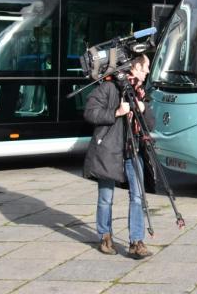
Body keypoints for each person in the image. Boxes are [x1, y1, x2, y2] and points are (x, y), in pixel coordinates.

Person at [82, 55, 154, 259]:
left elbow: (151, 124)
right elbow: (90, 113)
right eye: (145, 67)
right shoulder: (109, 88)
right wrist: (117, 111)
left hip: (134, 150)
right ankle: (105, 236)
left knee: (138, 197)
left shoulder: (139, 92)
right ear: (135, 67)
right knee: (106, 197)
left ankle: (136, 242)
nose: (148, 71)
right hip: (108, 149)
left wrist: (144, 109)